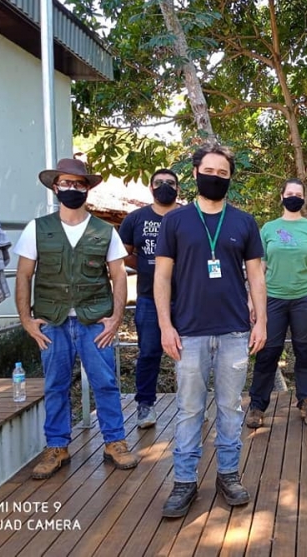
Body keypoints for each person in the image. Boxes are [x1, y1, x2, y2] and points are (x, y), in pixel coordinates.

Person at [154, 143, 267, 518]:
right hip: (188, 332)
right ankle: (184, 481)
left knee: (231, 408)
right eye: (209, 171)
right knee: (188, 410)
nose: (215, 178)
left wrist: (262, 321)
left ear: (230, 178)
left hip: (235, 331)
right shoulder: (175, 221)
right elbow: (162, 278)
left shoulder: (244, 222)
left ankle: (228, 475)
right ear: (195, 171)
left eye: (223, 173)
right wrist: (165, 326)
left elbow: (256, 276)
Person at [14, 157, 139, 479]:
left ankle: (115, 442)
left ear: (87, 189)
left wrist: (115, 318)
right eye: (66, 183)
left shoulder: (104, 231)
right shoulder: (37, 229)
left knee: (106, 383)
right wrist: (26, 320)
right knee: (56, 385)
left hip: (94, 321)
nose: (72, 189)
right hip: (52, 322)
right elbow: (24, 275)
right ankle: (57, 446)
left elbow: (119, 276)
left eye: (78, 184)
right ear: (56, 187)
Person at [246, 178, 307, 429]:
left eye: (299, 193)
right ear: (282, 197)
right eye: (290, 193)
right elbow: (259, 268)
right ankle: (257, 405)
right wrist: (252, 300)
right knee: (267, 352)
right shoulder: (268, 229)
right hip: (272, 299)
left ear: (304, 198)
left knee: (305, 352)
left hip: (306, 298)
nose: (294, 197)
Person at [119, 168, 181, 429]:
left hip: (188, 297)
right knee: (149, 353)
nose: (165, 186)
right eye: (159, 182)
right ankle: (145, 406)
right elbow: (123, 253)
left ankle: (193, 405)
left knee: (193, 354)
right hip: (148, 298)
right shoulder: (135, 219)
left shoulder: (189, 217)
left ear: (178, 188)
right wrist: (147, 265)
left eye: (170, 182)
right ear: (151, 188)